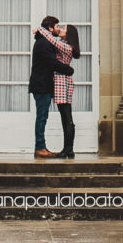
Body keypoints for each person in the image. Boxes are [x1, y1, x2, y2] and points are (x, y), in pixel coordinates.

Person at [28, 15, 73, 158]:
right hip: (41, 85)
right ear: (50, 28)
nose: (59, 29)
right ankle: (40, 147)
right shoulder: (44, 43)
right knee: (42, 117)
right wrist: (69, 70)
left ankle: (41, 147)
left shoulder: (46, 41)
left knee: (43, 116)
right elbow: (52, 62)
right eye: (57, 27)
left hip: (44, 85)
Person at [38, 21, 80, 158]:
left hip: (63, 83)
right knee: (65, 117)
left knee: (67, 117)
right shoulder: (65, 44)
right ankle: (68, 149)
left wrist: (40, 29)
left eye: (64, 29)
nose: (61, 29)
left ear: (69, 34)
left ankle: (69, 150)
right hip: (61, 82)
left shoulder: (67, 47)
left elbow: (52, 40)